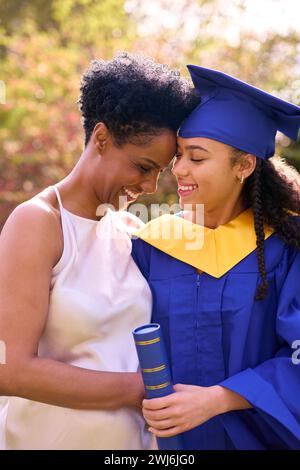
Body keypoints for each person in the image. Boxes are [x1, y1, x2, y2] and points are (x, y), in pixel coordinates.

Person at [0, 52, 197, 450]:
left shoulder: (131, 230)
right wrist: (139, 389)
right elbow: (10, 370)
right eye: (143, 167)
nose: (150, 187)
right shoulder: (38, 222)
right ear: (102, 138)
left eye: (159, 172)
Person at [132, 65, 300, 450]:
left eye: (197, 157)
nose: (179, 170)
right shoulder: (151, 245)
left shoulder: (286, 248)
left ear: (243, 166)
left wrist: (219, 399)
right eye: (178, 154)